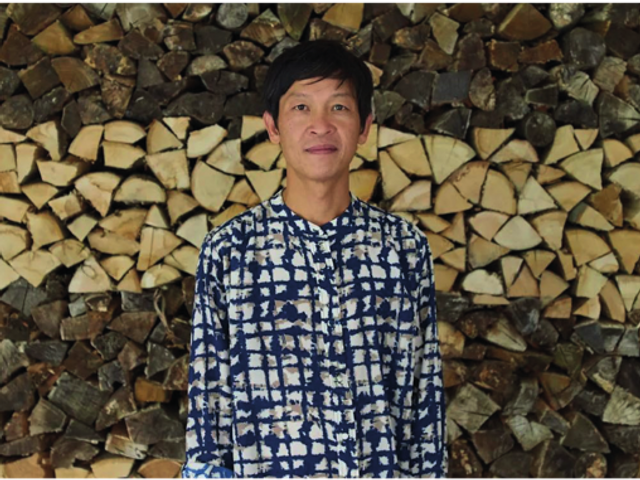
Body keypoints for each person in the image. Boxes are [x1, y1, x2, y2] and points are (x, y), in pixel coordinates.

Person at [182, 39, 447, 479]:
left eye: (339, 107)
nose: (320, 125)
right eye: (301, 108)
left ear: (364, 126)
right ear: (273, 127)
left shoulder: (402, 249)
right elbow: (209, 404)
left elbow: (424, 400)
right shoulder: (231, 252)